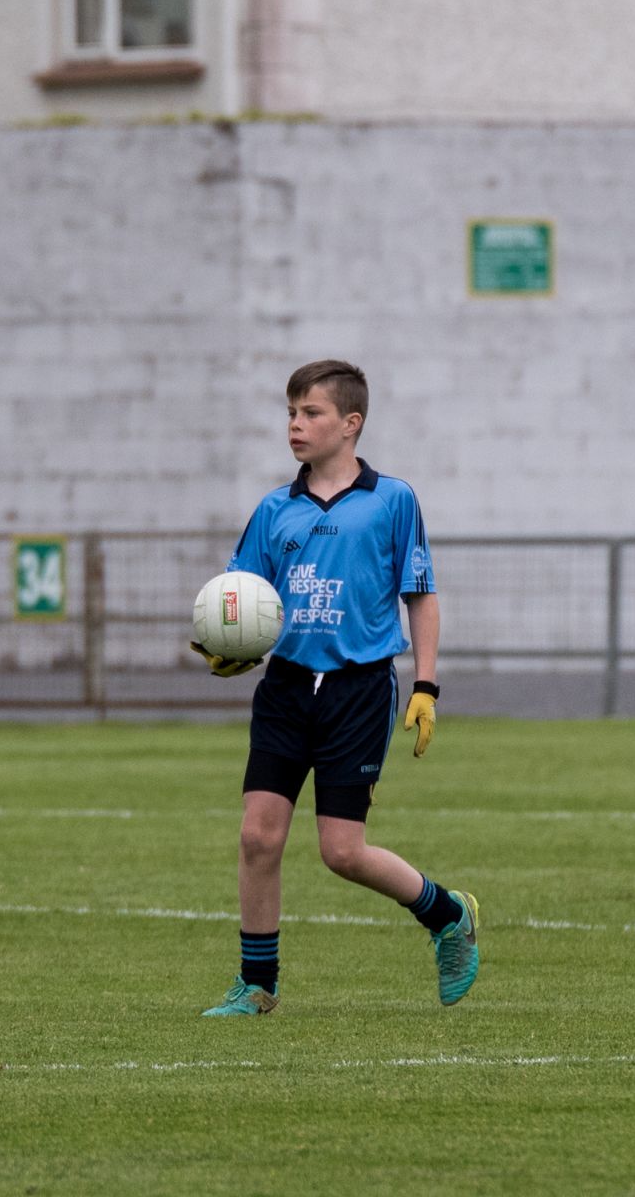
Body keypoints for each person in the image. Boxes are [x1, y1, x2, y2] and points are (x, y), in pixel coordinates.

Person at [191, 360, 478, 1016]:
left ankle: (446, 914)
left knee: (341, 852)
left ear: (351, 424)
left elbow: (421, 594)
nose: (296, 425)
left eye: (311, 413)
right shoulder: (274, 509)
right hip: (287, 688)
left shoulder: (392, 500)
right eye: (291, 413)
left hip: (357, 690)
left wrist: (425, 684)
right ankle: (257, 985)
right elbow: (240, 600)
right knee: (258, 836)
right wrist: (222, 649)